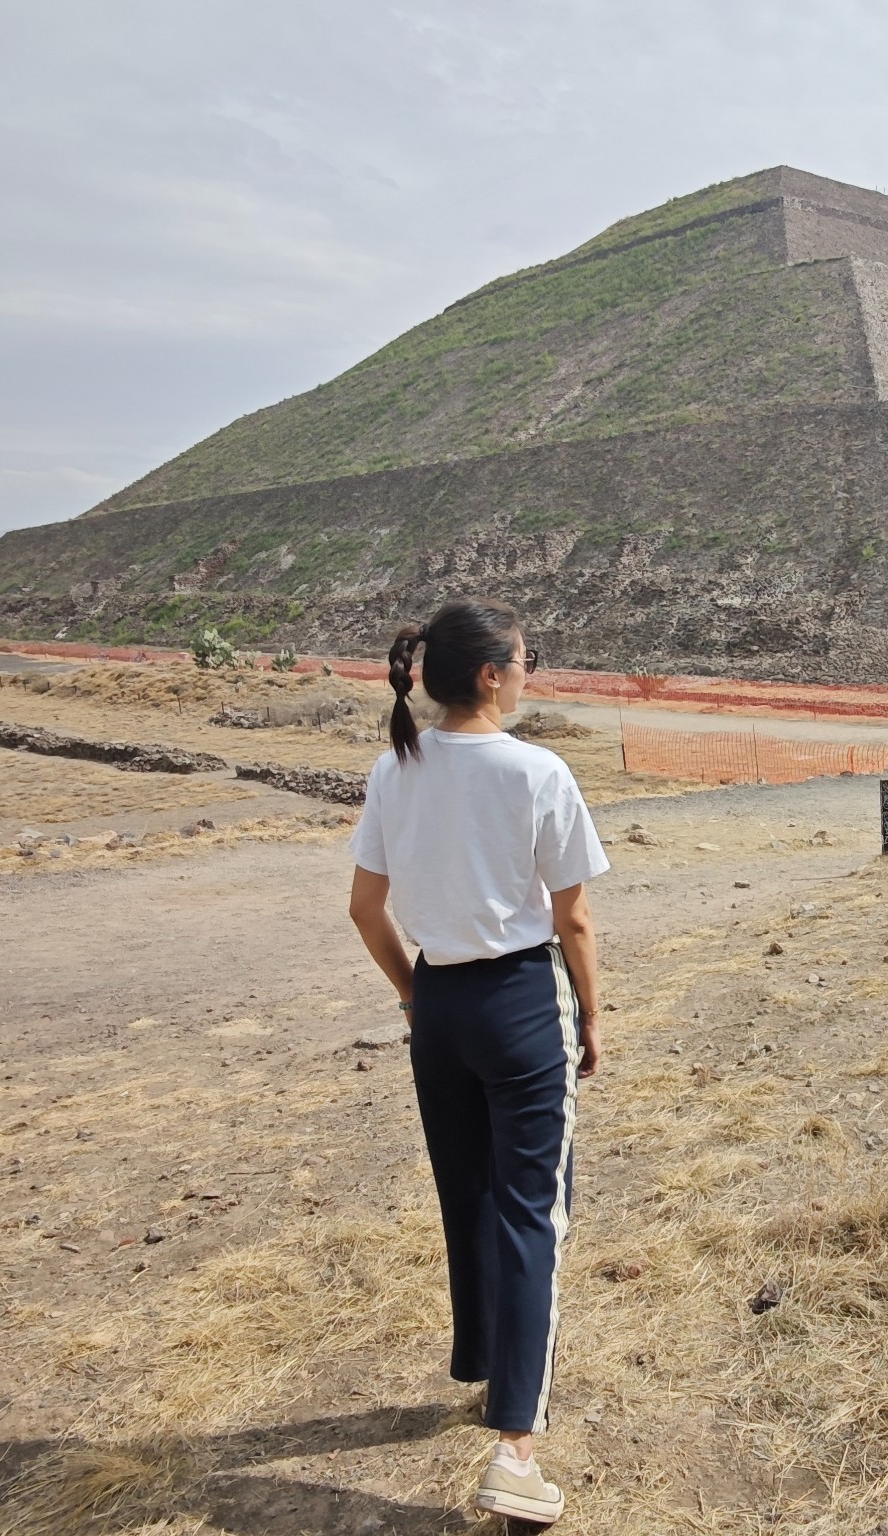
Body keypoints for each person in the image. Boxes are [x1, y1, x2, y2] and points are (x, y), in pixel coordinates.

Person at [347, 599, 607, 1527]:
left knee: (470, 1196)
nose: (532, 670)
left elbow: (365, 911)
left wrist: (417, 997)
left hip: (442, 1006)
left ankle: (488, 1366)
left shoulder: (395, 768)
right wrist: (592, 1011)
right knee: (535, 1211)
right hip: (517, 1001)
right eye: (525, 659)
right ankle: (515, 1447)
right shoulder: (536, 770)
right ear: (492, 674)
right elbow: (571, 917)